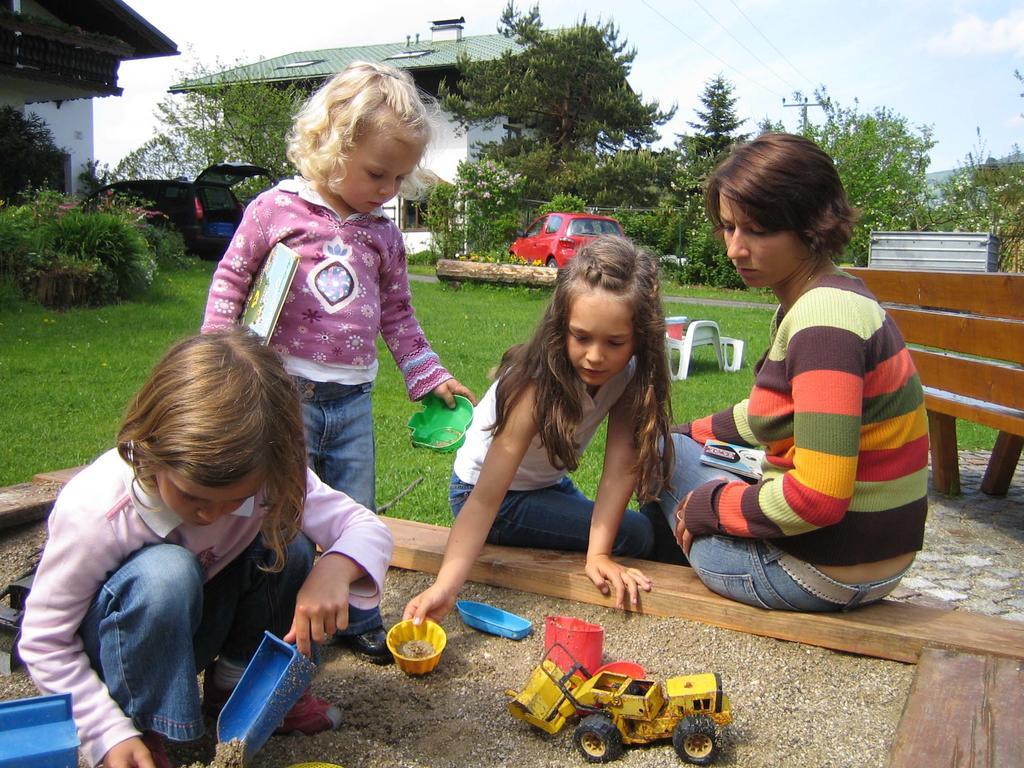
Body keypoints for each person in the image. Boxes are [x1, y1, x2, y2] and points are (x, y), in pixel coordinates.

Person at [19, 330, 394, 768]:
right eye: (192, 497)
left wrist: (337, 565)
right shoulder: (99, 510)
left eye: (237, 499)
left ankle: (241, 688)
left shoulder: (270, 475)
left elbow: (364, 526)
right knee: (166, 574)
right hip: (116, 654)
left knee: (288, 544)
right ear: (151, 450)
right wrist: (104, 731)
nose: (210, 515)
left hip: (189, 627)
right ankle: (143, 725)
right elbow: (44, 641)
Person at [201, 61, 473, 664]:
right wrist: (219, 360)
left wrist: (427, 374)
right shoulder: (275, 210)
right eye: (378, 172)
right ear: (333, 144)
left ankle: (359, 614)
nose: (388, 190)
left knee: (355, 507)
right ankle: (279, 609)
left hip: (351, 401)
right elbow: (231, 279)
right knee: (283, 510)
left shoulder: (383, 235)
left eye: (399, 178)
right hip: (281, 395)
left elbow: (398, 315)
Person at [645, 133, 929, 611]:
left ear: (812, 223)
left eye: (757, 230)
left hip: (811, 573)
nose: (736, 249)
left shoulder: (823, 324)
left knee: (657, 453)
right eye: (729, 228)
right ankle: (673, 538)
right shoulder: (835, 296)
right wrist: (689, 429)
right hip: (880, 562)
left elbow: (816, 498)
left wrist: (706, 508)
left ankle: (660, 551)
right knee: (672, 440)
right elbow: (773, 412)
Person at [403, 236, 675, 625]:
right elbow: (485, 499)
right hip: (487, 496)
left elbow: (620, 468)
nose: (595, 356)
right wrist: (445, 586)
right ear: (561, 326)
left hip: (545, 485)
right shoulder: (534, 385)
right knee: (637, 535)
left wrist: (597, 554)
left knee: (627, 533)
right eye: (581, 337)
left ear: (639, 339)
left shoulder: (630, 376)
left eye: (614, 342)